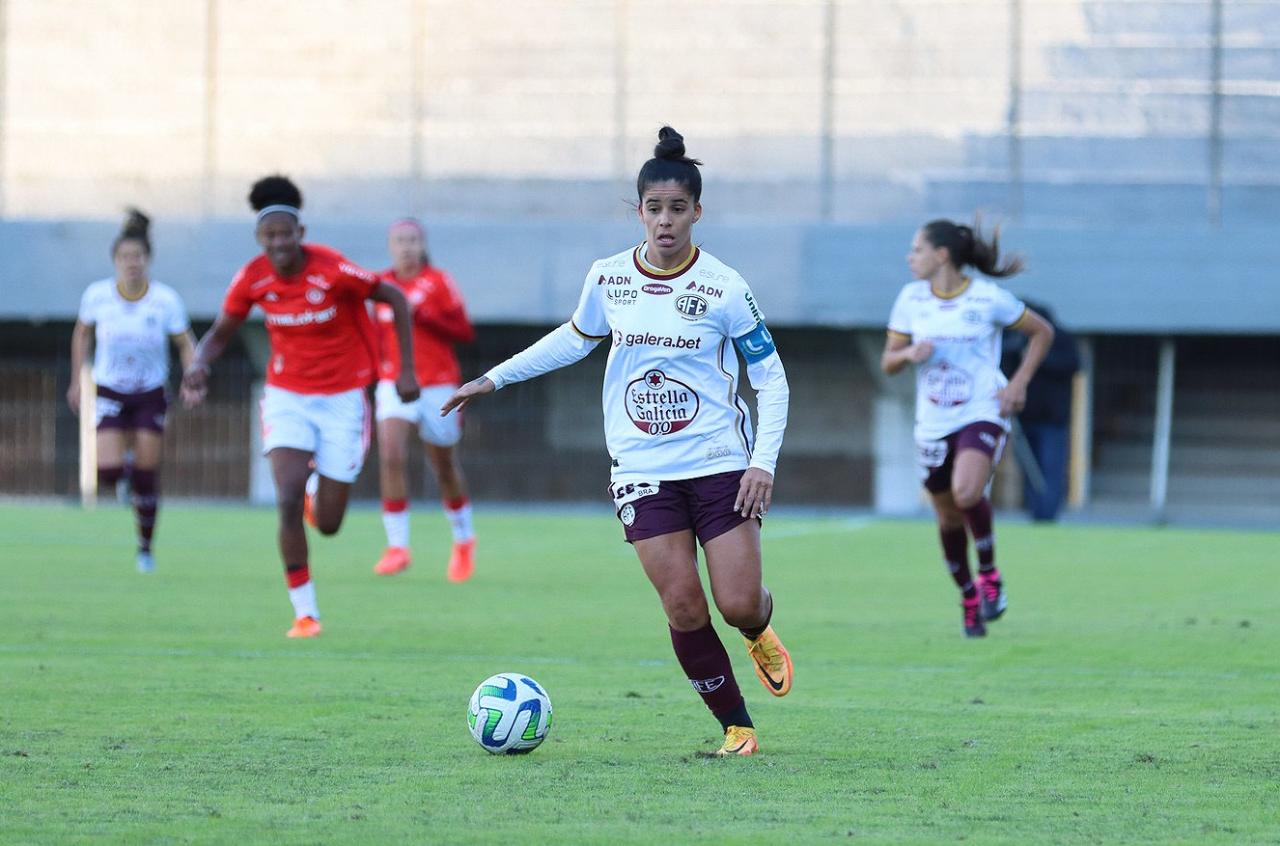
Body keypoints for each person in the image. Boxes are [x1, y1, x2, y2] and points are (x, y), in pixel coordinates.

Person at [442, 127, 793, 757]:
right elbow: (575, 338)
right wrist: (493, 378)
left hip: (719, 464)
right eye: (653, 209)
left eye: (677, 209)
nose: (664, 221)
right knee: (684, 605)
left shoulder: (725, 287)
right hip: (641, 470)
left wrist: (761, 463)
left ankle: (759, 628)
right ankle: (737, 727)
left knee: (736, 602)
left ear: (697, 212)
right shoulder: (609, 277)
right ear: (639, 211)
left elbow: (771, 376)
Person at [181, 176, 419, 638]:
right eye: (269, 236)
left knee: (327, 524)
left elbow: (393, 297)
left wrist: (405, 372)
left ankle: (317, 492)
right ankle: (305, 614)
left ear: (300, 233)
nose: (278, 243)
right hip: (287, 397)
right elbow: (222, 330)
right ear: (260, 239)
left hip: (343, 401)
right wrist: (199, 364)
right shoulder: (253, 277)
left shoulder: (332, 269)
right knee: (285, 497)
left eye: (285, 234)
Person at [881, 219, 1054, 637]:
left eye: (917, 249)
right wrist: (909, 354)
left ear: (941, 255)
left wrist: (1018, 383)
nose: (910, 257)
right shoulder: (910, 299)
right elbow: (888, 363)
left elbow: (1041, 333)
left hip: (982, 409)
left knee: (967, 492)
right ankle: (968, 593)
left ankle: (991, 574)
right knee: (948, 517)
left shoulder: (987, 298)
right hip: (933, 421)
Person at [68, 209, 196, 573]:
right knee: (108, 473)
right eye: (125, 257)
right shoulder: (98, 296)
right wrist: (77, 379)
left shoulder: (165, 301)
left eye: (138, 257)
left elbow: (186, 343)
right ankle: (120, 471)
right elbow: (81, 333)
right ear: (115, 261)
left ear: (148, 260)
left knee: (147, 474)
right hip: (110, 389)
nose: (132, 263)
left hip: (150, 392)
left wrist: (192, 377)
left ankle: (145, 549)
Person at [372, 218, 478, 581]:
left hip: (438, 384)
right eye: (400, 240)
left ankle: (464, 540)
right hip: (394, 382)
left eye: (412, 240)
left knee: (443, 466)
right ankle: (397, 546)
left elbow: (463, 331)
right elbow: (373, 338)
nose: (406, 246)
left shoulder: (438, 282)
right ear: (390, 245)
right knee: (390, 454)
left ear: (422, 244)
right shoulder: (380, 287)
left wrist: (426, 316)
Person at [1002, 301, 1080, 521]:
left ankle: (1050, 513)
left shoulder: (1061, 338)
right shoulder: (1015, 340)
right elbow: (1004, 369)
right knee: (1028, 466)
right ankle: (1036, 512)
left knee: (1051, 466)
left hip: (1053, 418)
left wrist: (1036, 358)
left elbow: (1072, 365)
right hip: (1025, 416)